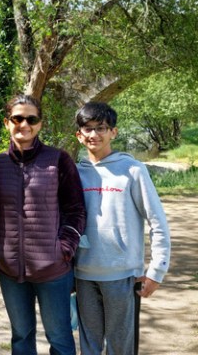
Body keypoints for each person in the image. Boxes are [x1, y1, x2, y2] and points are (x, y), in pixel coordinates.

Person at [0, 94, 86, 355]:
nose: (24, 124)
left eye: (31, 119)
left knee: (60, 337)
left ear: (40, 124)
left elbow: (75, 210)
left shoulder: (58, 160)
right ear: (7, 122)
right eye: (18, 118)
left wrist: (63, 248)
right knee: (21, 336)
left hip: (53, 270)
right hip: (10, 270)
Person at [74, 102, 171, 355]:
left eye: (101, 128)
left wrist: (156, 270)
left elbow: (157, 222)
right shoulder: (75, 173)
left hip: (123, 275)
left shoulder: (133, 170)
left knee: (121, 347)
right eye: (88, 129)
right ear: (79, 135)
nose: (94, 134)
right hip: (83, 274)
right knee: (89, 345)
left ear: (113, 133)